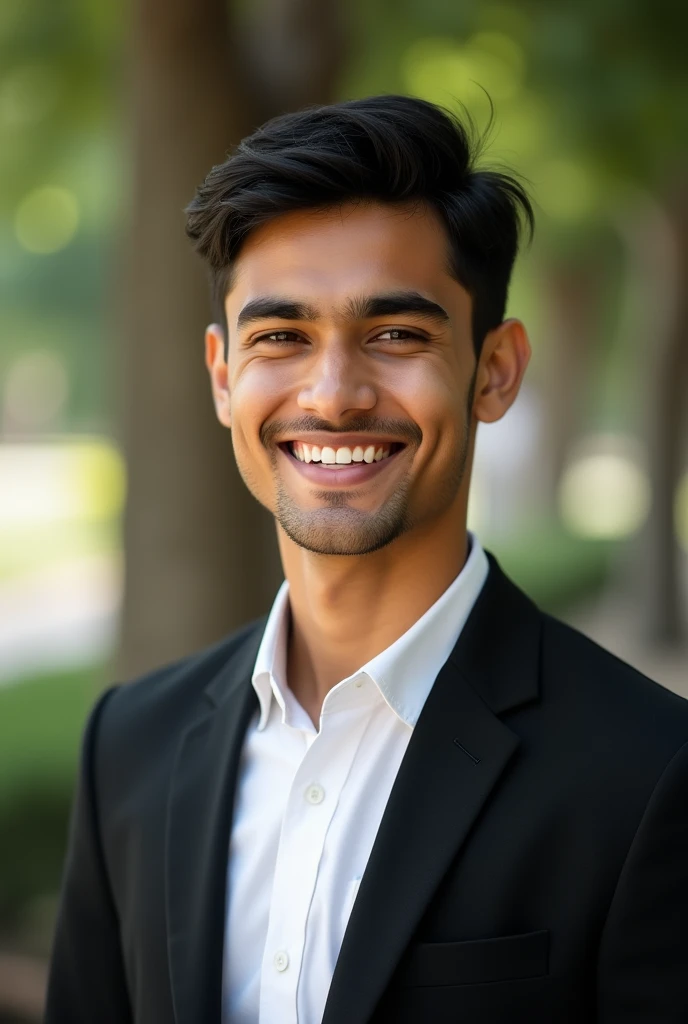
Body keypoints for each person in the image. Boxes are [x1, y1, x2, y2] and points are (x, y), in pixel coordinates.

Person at [46, 95, 688, 1024]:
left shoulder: (649, 775)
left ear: (496, 370)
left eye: (395, 335)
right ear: (224, 376)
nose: (335, 394)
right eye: (282, 337)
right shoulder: (130, 746)